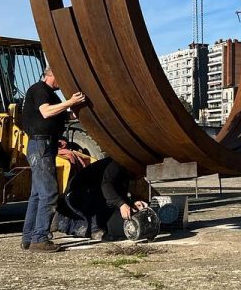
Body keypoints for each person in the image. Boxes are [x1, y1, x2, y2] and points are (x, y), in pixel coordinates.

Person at [20, 66, 85, 252]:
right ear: (52, 75)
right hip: (41, 145)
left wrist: (76, 109)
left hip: (43, 145)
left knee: (37, 195)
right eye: (60, 77)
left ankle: (29, 237)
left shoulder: (50, 94)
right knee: (49, 193)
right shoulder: (39, 90)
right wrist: (70, 101)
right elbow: (46, 112)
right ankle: (40, 239)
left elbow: (62, 114)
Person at [63, 157, 149, 240]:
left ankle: (88, 227)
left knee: (111, 212)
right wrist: (122, 204)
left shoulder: (125, 172)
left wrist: (131, 203)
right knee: (104, 198)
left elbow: (119, 193)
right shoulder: (117, 163)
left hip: (87, 194)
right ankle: (94, 229)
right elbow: (106, 185)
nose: (139, 177)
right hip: (76, 195)